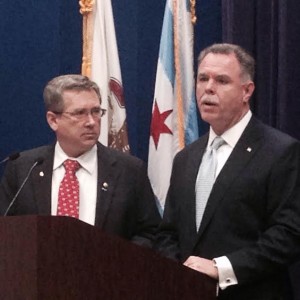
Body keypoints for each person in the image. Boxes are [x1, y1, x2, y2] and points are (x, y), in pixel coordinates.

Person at [155, 43, 300, 299]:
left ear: (247, 91)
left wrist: (221, 268)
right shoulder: (186, 158)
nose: (208, 88)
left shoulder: (281, 152)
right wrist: (177, 271)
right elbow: (168, 231)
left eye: (222, 81)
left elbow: (288, 234)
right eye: (202, 79)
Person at [0, 74, 161, 248]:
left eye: (96, 112)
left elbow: (150, 233)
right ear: (53, 120)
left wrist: (116, 260)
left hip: (107, 272)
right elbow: (7, 230)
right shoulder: (23, 168)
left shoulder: (129, 171)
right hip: (37, 273)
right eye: (79, 113)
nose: (91, 122)